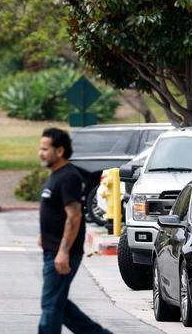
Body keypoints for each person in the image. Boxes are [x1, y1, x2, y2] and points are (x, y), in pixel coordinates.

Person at [37, 127, 112, 334]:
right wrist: (43, 235)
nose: (40, 153)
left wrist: (63, 252)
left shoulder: (68, 176)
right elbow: (56, 211)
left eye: (45, 149)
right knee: (60, 304)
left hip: (62, 252)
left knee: (51, 305)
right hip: (52, 249)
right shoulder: (56, 175)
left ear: (59, 151)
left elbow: (74, 215)